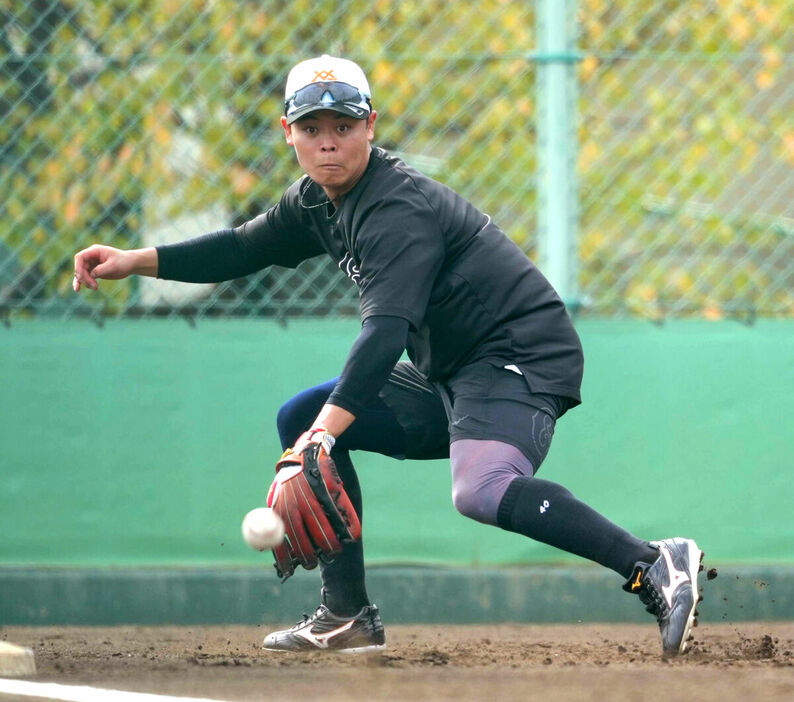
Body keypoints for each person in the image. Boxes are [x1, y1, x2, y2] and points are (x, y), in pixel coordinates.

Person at [73, 54, 703, 657]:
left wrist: (325, 435)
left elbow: (386, 333)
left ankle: (652, 562)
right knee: (303, 417)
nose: (328, 142)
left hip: (518, 354)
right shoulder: (315, 201)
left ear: (369, 126)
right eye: (311, 127)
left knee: (480, 489)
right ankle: (346, 615)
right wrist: (137, 262)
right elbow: (242, 248)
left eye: (344, 126)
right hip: (453, 371)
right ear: (287, 131)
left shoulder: (394, 208)